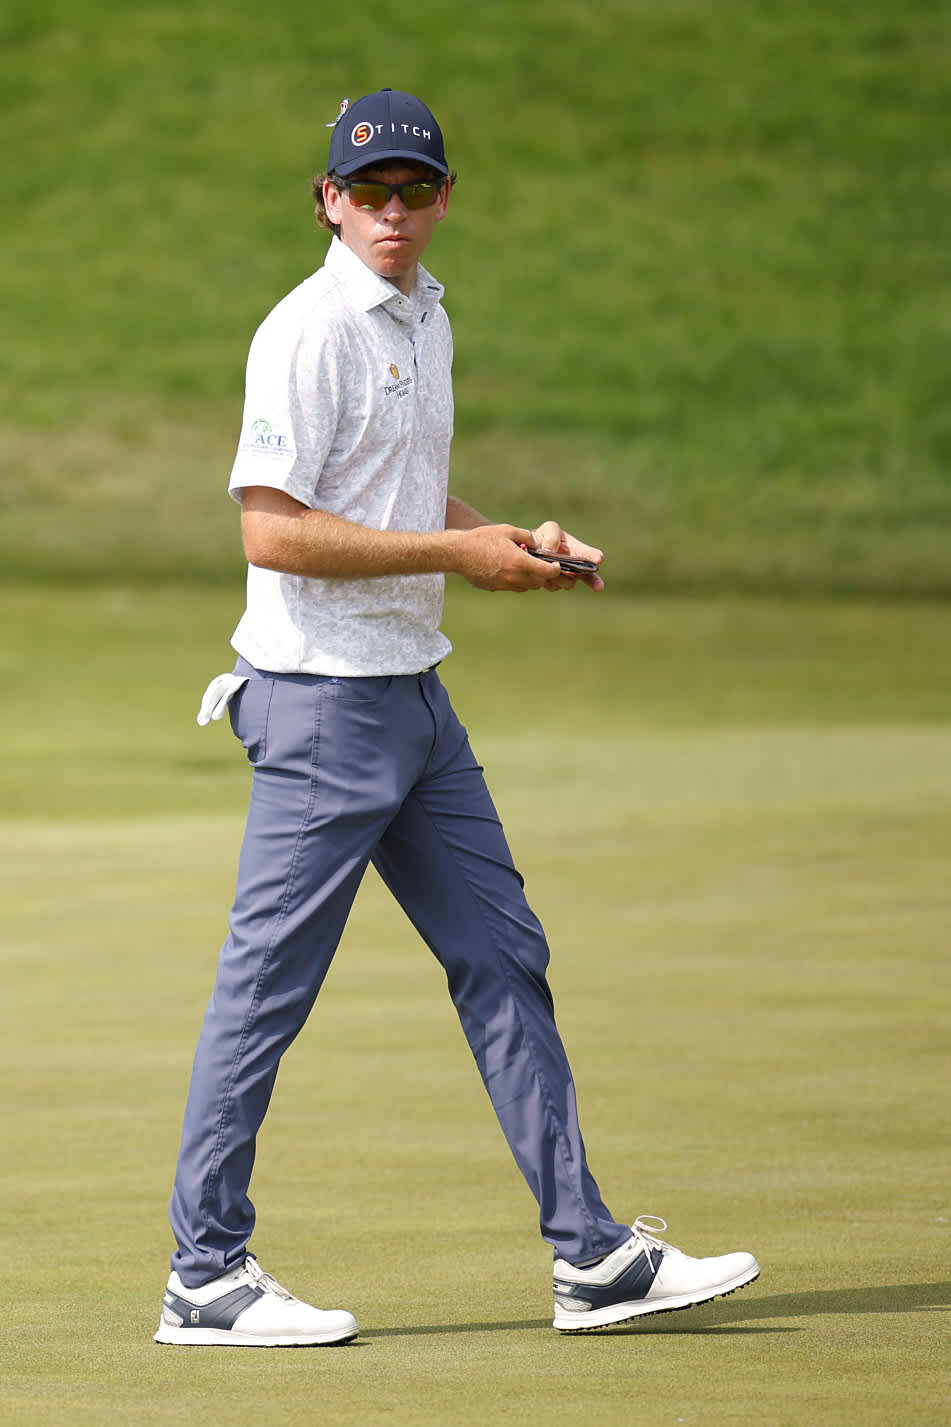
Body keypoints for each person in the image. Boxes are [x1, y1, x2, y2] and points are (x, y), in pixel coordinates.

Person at [154, 88, 759, 1347]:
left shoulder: (426, 317)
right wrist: (456, 553)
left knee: (505, 955)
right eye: (366, 193)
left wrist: (505, 536)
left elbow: (403, 490)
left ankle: (591, 1257)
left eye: (412, 192)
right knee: (265, 993)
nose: (391, 213)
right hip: (320, 709)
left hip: (416, 705)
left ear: (443, 199)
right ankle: (204, 1274)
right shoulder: (305, 332)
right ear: (326, 199)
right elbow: (272, 527)